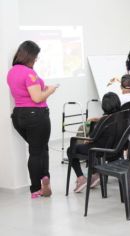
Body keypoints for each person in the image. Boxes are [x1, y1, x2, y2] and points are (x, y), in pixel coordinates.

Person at [7, 40, 58, 199]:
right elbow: (36, 98)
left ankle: (44, 177)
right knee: (37, 151)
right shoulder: (30, 73)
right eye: (35, 56)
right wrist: (50, 90)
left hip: (19, 115)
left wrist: (42, 89)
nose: (36, 59)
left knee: (40, 148)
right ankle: (36, 188)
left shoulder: (12, 71)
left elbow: (24, 92)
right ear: (29, 55)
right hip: (36, 116)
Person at [67, 92, 122, 193]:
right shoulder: (123, 117)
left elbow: (91, 139)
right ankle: (94, 175)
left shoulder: (103, 121)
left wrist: (86, 139)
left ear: (104, 106)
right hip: (117, 150)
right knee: (90, 146)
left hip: (99, 151)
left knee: (71, 149)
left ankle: (81, 178)